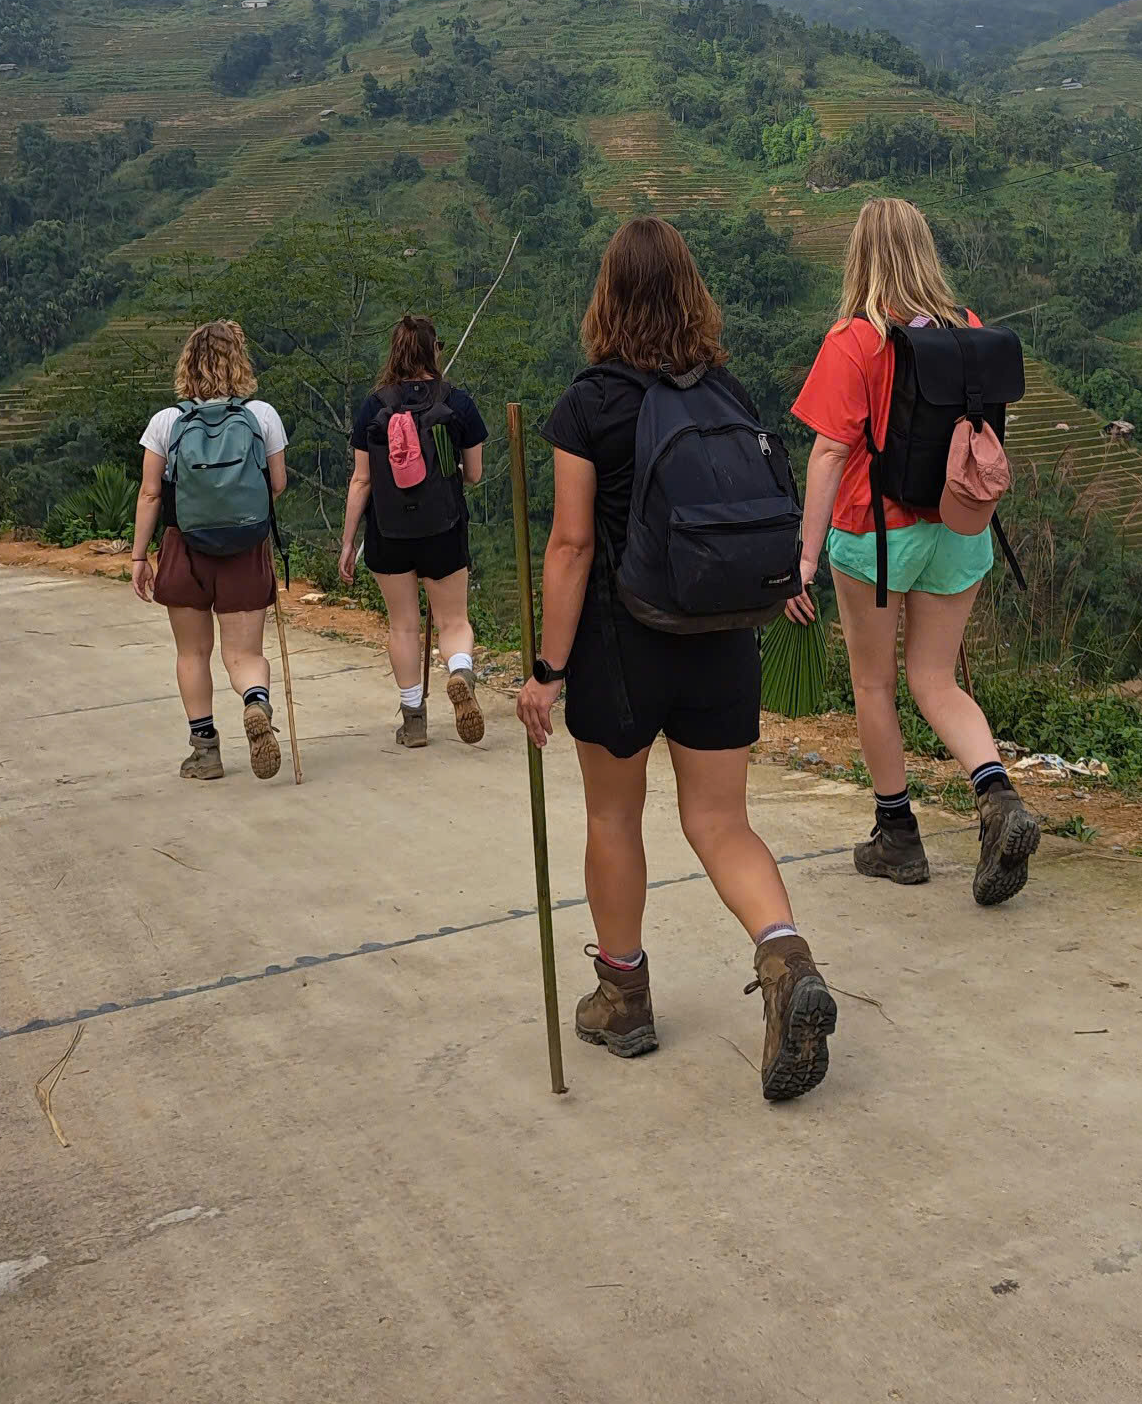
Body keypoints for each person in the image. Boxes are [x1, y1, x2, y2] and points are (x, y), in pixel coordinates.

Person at [514, 215, 836, 1104]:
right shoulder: (724, 391)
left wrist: (546, 670)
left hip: (624, 644)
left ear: (606, 297)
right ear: (693, 294)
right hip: (723, 636)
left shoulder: (588, 406)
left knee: (617, 820)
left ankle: (624, 997)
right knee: (722, 823)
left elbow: (572, 546)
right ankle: (785, 960)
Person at [788, 195, 1041, 904]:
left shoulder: (854, 339)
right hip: (959, 531)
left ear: (860, 255)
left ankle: (897, 836)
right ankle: (998, 797)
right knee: (936, 680)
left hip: (875, 539)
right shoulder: (968, 329)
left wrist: (804, 559)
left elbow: (829, 453)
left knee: (876, 685)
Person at [132, 318, 289, 782]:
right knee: (243, 655)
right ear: (239, 364)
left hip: (185, 549)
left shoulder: (166, 422)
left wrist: (140, 557)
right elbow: (276, 484)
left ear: (187, 366)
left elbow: (149, 494)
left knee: (193, 654)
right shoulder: (262, 416)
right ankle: (256, 702)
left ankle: (205, 751)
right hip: (245, 548)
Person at [339, 315, 489, 749]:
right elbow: (474, 474)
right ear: (434, 351)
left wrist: (348, 542)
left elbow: (361, 481)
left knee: (403, 626)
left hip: (388, 532)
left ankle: (414, 722)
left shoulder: (374, 406)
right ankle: (460, 672)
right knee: (453, 621)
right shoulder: (457, 403)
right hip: (443, 529)